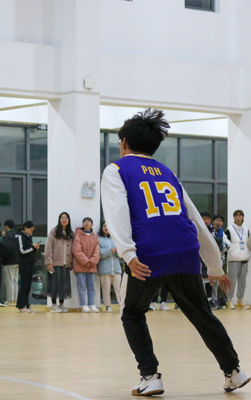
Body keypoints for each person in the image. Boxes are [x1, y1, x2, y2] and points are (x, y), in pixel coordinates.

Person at [101, 108, 248, 395]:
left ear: (124, 143)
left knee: (132, 313)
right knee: (202, 313)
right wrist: (214, 266)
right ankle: (234, 371)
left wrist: (128, 254)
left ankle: (150, 376)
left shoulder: (115, 170)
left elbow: (116, 213)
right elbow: (195, 221)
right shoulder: (168, 173)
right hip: (185, 251)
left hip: (148, 254)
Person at [44, 212, 74, 313]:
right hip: (55, 263)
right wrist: (49, 262)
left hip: (66, 264)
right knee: (54, 285)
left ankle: (61, 304)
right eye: (62, 218)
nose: (64, 220)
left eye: (66, 218)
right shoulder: (54, 232)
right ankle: (53, 305)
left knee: (63, 285)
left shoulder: (70, 233)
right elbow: (48, 247)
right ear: (59, 220)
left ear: (68, 220)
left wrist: (72, 263)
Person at [72, 217, 100, 313]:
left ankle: (92, 304)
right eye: (84, 221)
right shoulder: (78, 235)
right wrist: (85, 261)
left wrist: (92, 261)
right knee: (82, 287)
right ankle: (83, 305)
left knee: (91, 287)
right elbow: (76, 250)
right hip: (80, 265)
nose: (86, 223)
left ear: (92, 225)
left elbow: (97, 251)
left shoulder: (95, 236)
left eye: (88, 221)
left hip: (92, 266)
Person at [224, 210, 250, 309]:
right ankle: (229, 300)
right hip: (233, 258)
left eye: (240, 216)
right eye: (236, 216)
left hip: (244, 257)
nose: (238, 217)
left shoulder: (246, 230)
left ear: (243, 217)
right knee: (232, 280)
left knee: (242, 280)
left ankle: (240, 300)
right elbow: (225, 243)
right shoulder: (229, 229)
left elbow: (248, 243)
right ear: (234, 217)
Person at [97, 221, 121, 313]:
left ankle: (122, 305)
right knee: (106, 289)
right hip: (105, 269)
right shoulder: (98, 239)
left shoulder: (115, 238)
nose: (106, 228)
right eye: (104, 226)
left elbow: (120, 253)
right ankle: (108, 306)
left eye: (108, 226)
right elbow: (100, 253)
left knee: (119, 289)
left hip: (116, 269)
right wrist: (111, 250)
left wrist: (117, 251)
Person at [16, 221, 39, 313]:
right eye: (30, 230)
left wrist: (35, 249)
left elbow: (29, 250)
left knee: (28, 285)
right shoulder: (20, 236)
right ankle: (20, 305)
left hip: (30, 263)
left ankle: (26, 304)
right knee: (24, 285)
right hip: (24, 264)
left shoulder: (28, 237)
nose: (31, 232)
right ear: (25, 228)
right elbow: (21, 251)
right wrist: (32, 247)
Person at [210, 214, 230, 309]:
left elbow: (227, 245)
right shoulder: (209, 231)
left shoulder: (223, 234)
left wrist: (223, 246)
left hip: (218, 259)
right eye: (217, 220)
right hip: (208, 259)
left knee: (216, 281)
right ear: (213, 221)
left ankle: (214, 299)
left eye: (221, 221)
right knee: (206, 281)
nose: (219, 223)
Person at [1, 219, 19, 306]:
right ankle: (15, 299)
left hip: (9, 261)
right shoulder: (17, 235)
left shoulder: (8, 236)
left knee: (9, 281)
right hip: (17, 261)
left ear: (6, 226)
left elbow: (8, 248)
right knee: (15, 281)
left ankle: (10, 300)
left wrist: (3, 258)